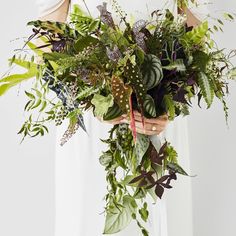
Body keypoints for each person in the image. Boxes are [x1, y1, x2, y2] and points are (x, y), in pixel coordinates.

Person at [36, 0, 207, 235]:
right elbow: (46, 42)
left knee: (159, 215)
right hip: (93, 121)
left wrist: (170, 106)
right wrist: (92, 102)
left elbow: (196, 39)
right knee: (89, 214)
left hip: (156, 115)